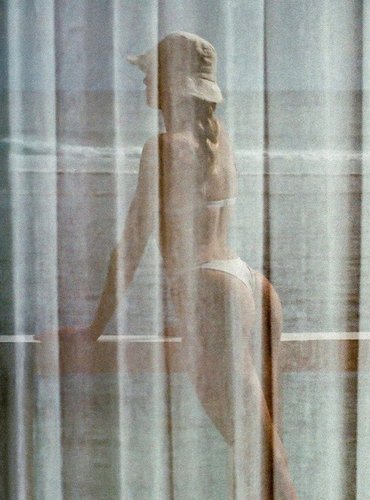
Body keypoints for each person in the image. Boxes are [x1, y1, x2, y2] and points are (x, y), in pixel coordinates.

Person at [52, 31, 297, 499]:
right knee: (264, 455)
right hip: (249, 283)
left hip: (212, 294)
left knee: (262, 459)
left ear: (171, 83)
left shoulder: (164, 148)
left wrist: (93, 330)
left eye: (151, 72)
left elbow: (131, 246)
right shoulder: (219, 138)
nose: (144, 80)